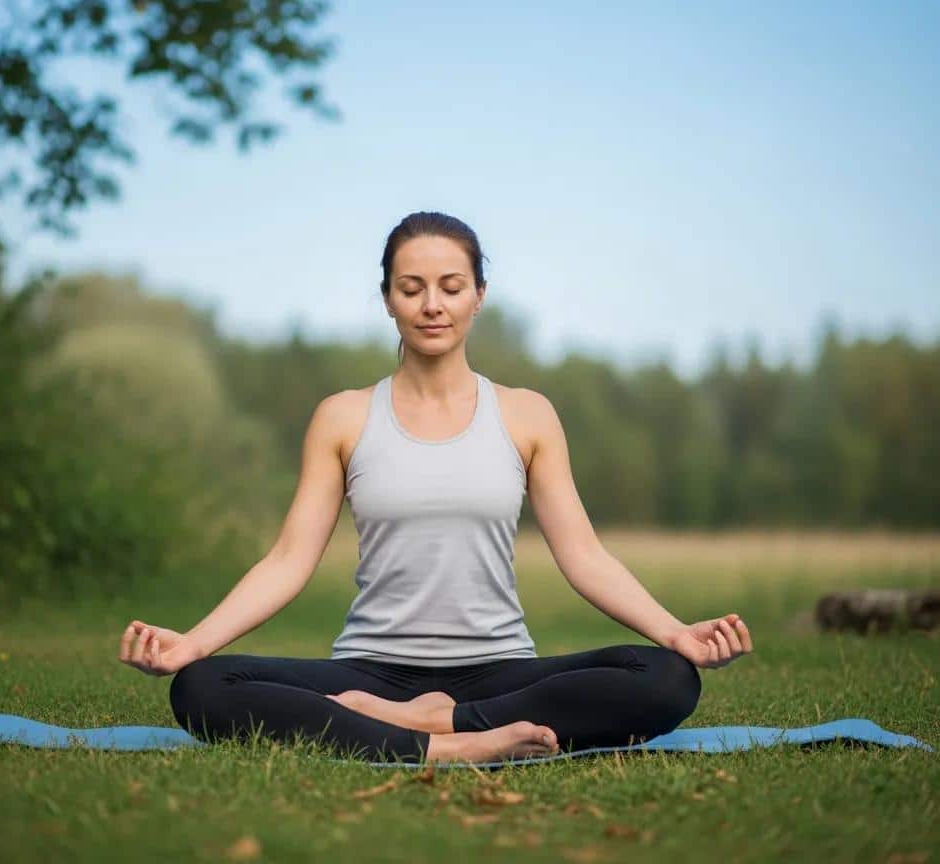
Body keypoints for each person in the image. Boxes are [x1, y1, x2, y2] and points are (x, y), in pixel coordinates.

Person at [118, 210, 753, 764]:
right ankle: (450, 744)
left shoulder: (526, 414)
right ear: (388, 298)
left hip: (500, 672)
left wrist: (675, 634)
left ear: (479, 295)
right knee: (200, 688)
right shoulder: (342, 417)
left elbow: (583, 555)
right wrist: (193, 644)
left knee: (669, 679)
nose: (432, 305)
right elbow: (289, 560)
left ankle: (436, 725)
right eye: (412, 288)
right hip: (370, 669)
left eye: (451, 287)